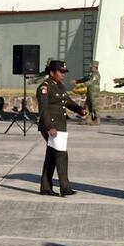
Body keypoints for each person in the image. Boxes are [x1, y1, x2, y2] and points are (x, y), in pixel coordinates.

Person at [36, 60, 87, 196]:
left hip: (60, 126)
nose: (63, 74)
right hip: (51, 126)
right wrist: (49, 126)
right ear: (52, 72)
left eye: (64, 72)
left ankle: (46, 187)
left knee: (52, 156)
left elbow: (67, 101)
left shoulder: (60, 86)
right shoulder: (44, 87)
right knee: (61, 154)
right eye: (61, 72)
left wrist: (79, 110)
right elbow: (44, 109)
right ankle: (65, 187)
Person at [75, 61, 101, 125]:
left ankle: (97, 120)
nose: (90, 68)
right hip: (89, 92)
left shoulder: (96, 75)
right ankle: (88, 119)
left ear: (95, 67)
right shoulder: (91, 74)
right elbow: (85, 79)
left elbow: (90, 82)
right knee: (87, 106)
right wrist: (77, 81)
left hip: (94, 93)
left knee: (94, 106)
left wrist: (81, 85)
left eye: (91, 67)